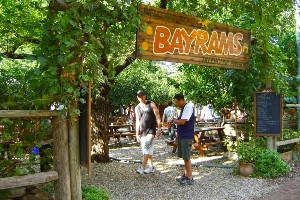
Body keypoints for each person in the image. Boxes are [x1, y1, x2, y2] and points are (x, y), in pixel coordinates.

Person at [135, 90, 162, 174]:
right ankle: (151, 167)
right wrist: (137, 134)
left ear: (145, 95)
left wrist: (159, 128)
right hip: (142, 132)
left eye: (142, 95)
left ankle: (142, 168)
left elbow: (157, 116)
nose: (141, 97)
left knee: (147, 149)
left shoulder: (151, 104)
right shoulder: (137, 107)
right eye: (139, 96)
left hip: (151, 131)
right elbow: (137, 121)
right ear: (137, 97)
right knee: (146, 150)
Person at [171, 94, 195, 185]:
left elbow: (182, 121)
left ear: (182, 100)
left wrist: (174, 120)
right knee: (184, 157)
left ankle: (190, 177)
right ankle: (186, 174)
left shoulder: (188, 107)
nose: (176, 104)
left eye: (177, 102)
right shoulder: (183, 108)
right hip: (182, 135)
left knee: (186, 157)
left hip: (186, 135)